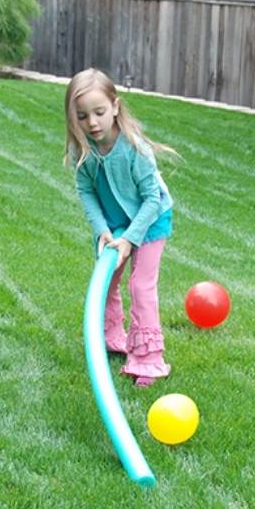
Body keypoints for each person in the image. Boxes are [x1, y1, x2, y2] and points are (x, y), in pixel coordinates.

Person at [64, 68, 175, 386]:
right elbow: (86, 191)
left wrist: (130, 239)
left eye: (99, 112)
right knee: (108, 281)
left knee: (140, 286)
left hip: (151, 219)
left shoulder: (134, 149)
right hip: (112, 225)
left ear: (115, 106)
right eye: (82, 116)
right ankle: (113, 336)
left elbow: (151, 199)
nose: (92, 123)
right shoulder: (83, 149)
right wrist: (102, 230)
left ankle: (147, 358)